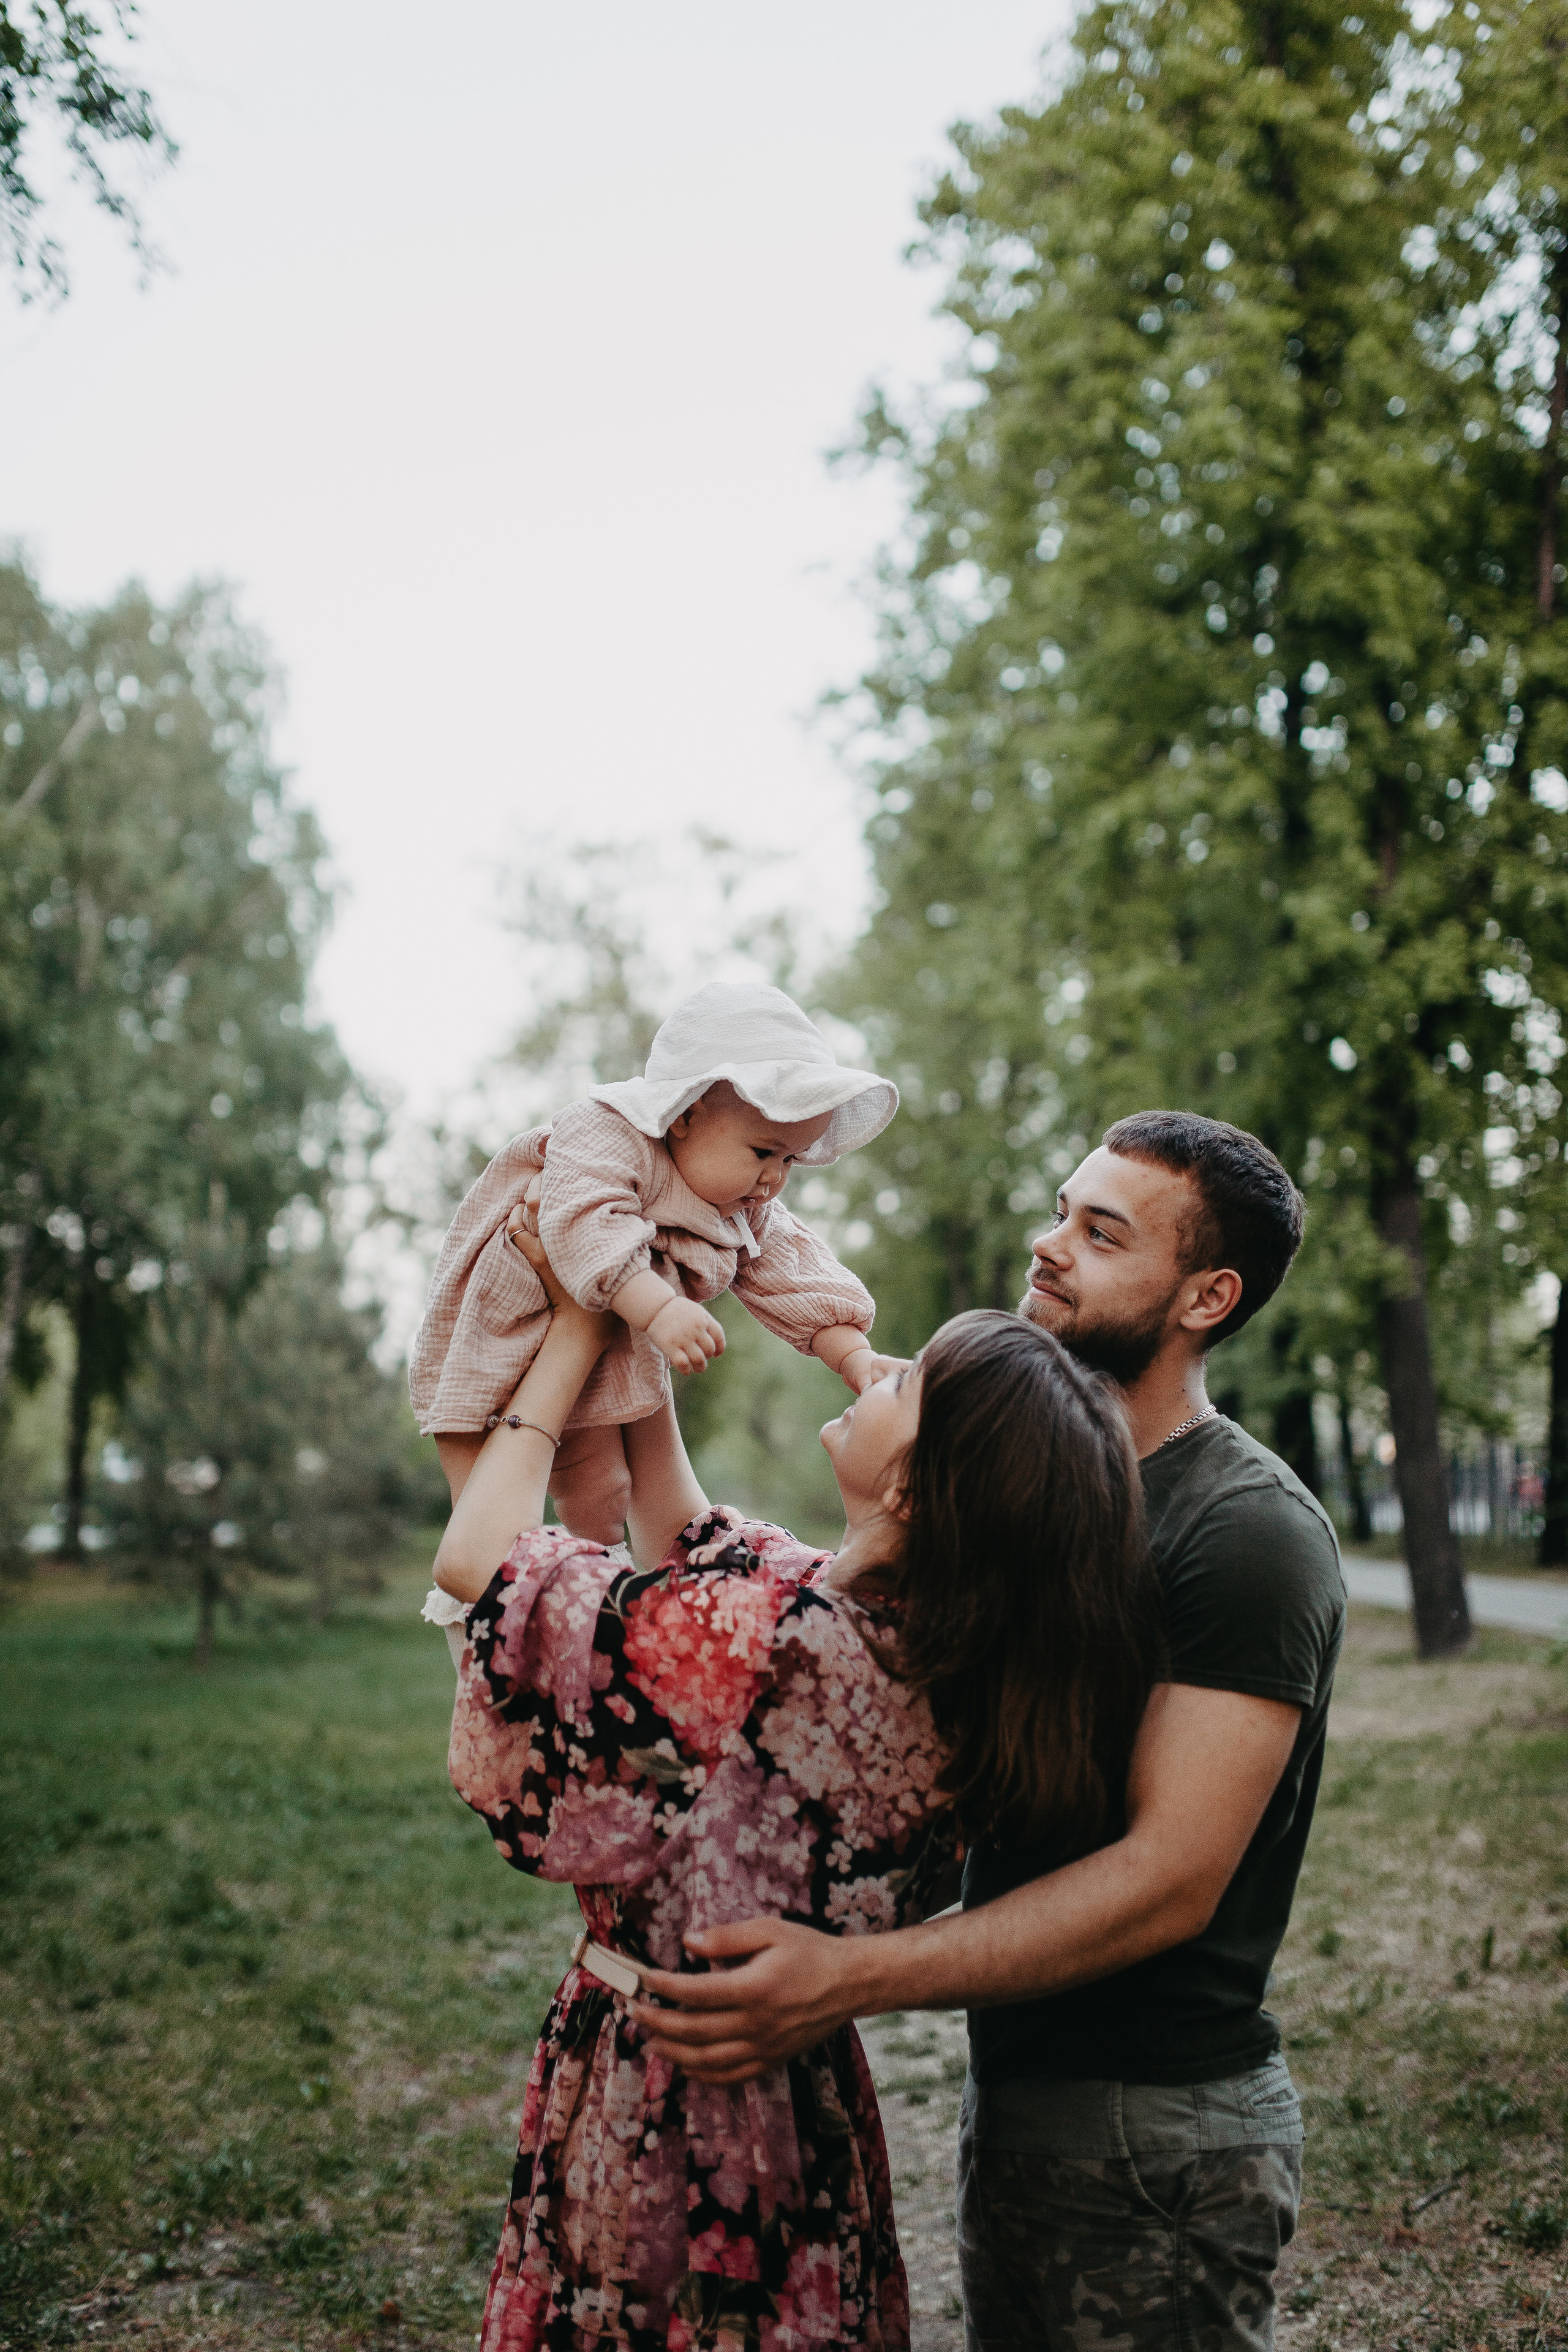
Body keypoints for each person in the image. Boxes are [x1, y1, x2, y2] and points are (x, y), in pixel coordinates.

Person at [636, 1111, 1348, 2352]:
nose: (1047, 1245)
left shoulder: (1244, 1534)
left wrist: (845, 1980)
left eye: (1099, 1232)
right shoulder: (1020, 1495)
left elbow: (1168, 1882)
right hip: (1025, 2103)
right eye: (1060, 1210)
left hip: (1156, 2130)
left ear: (1205, 1297)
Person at [429, 1203, 1159, 2352]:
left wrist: (573, 1326)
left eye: (910, 1382)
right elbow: (684, 1538)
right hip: (803, 2095)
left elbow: (478, 1568)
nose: (886, 1367)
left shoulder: (767, 1635)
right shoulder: (938, 1652)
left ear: (917, 1492)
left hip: (664, 2088)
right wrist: (643, 1324)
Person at [411, 981, 902, 1548]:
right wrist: (662, 1309)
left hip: (594, 1347)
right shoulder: (608, 1131)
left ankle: (594, 1594)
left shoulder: (740, 1203)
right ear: (687, 1115)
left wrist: (854, 1356)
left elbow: (794, 1272)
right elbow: (584, 1221)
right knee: (479, 1506)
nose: (775, 1179)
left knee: (605, 1491)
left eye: (791, 1160)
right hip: (496, 1328)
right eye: (764, 1152)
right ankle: (472, 1614)